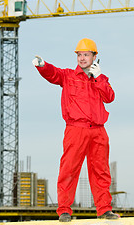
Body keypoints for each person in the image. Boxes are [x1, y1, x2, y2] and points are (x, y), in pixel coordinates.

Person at [32, 38, 119, 222]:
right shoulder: (68, 76)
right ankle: (64, 210)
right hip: (75, 130)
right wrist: (42, 65)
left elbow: (110, 97)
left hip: (98, 130)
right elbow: (53, 73)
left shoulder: (102, 78)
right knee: (69, 170)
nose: (82, 58)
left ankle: (104, 209)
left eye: (86, 54)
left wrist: (99, 78)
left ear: (95, 56)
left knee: (101, 171)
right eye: (79, 54)